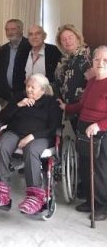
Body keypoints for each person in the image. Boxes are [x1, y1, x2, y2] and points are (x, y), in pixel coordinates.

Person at [0, 73, 62, 215]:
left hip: (40, 137)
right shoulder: (19, 97)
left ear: (43, 90)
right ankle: (1, 190)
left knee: (31, 149)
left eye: (33, 87)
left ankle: (35, 196)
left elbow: (53, 127)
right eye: (28, 86)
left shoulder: (50, 103)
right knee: (2, 144)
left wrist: (32, 137)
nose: (29, 90)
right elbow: (3, 117)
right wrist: (18, 105)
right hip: (15, 132)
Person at [58, 46, 107, 221]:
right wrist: (67, 108)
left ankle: (102, 206)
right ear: (92, 61)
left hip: (101, 133)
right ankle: (90, 200)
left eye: (105, 60)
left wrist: (99, 125)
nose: (100, 63)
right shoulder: (92, 81)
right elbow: (82, 104)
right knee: (85, 166)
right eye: (97, 59)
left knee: (99, 170)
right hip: (84, 128)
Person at [54, 24, 92, 131]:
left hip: (85, 109)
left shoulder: (89, 56)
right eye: (63, 39)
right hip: (69, 108)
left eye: (70, 37)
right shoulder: (63, 59)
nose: (67, 41)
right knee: (80, 140)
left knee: (89, 142)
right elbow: (58, 82)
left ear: (78, 37)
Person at [0, 19, 31, 104]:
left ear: (21, 30)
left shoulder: (29, 46)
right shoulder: (2, 50)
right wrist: (0, 93)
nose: (10, 32)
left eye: (13, 29)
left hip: (25, 96)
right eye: (7, 29)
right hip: (6, 97)